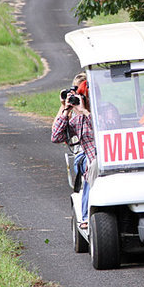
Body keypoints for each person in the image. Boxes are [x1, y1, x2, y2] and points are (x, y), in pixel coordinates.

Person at [51, 80, 95, 228]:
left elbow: (101, 131)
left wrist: (85, 111)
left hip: (108, 157)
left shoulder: (105, 112)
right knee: (91, 167)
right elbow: (56, 137)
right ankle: (86, 216)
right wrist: (66, 110)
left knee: (93, 165)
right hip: (91, 161)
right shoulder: (77, 120)